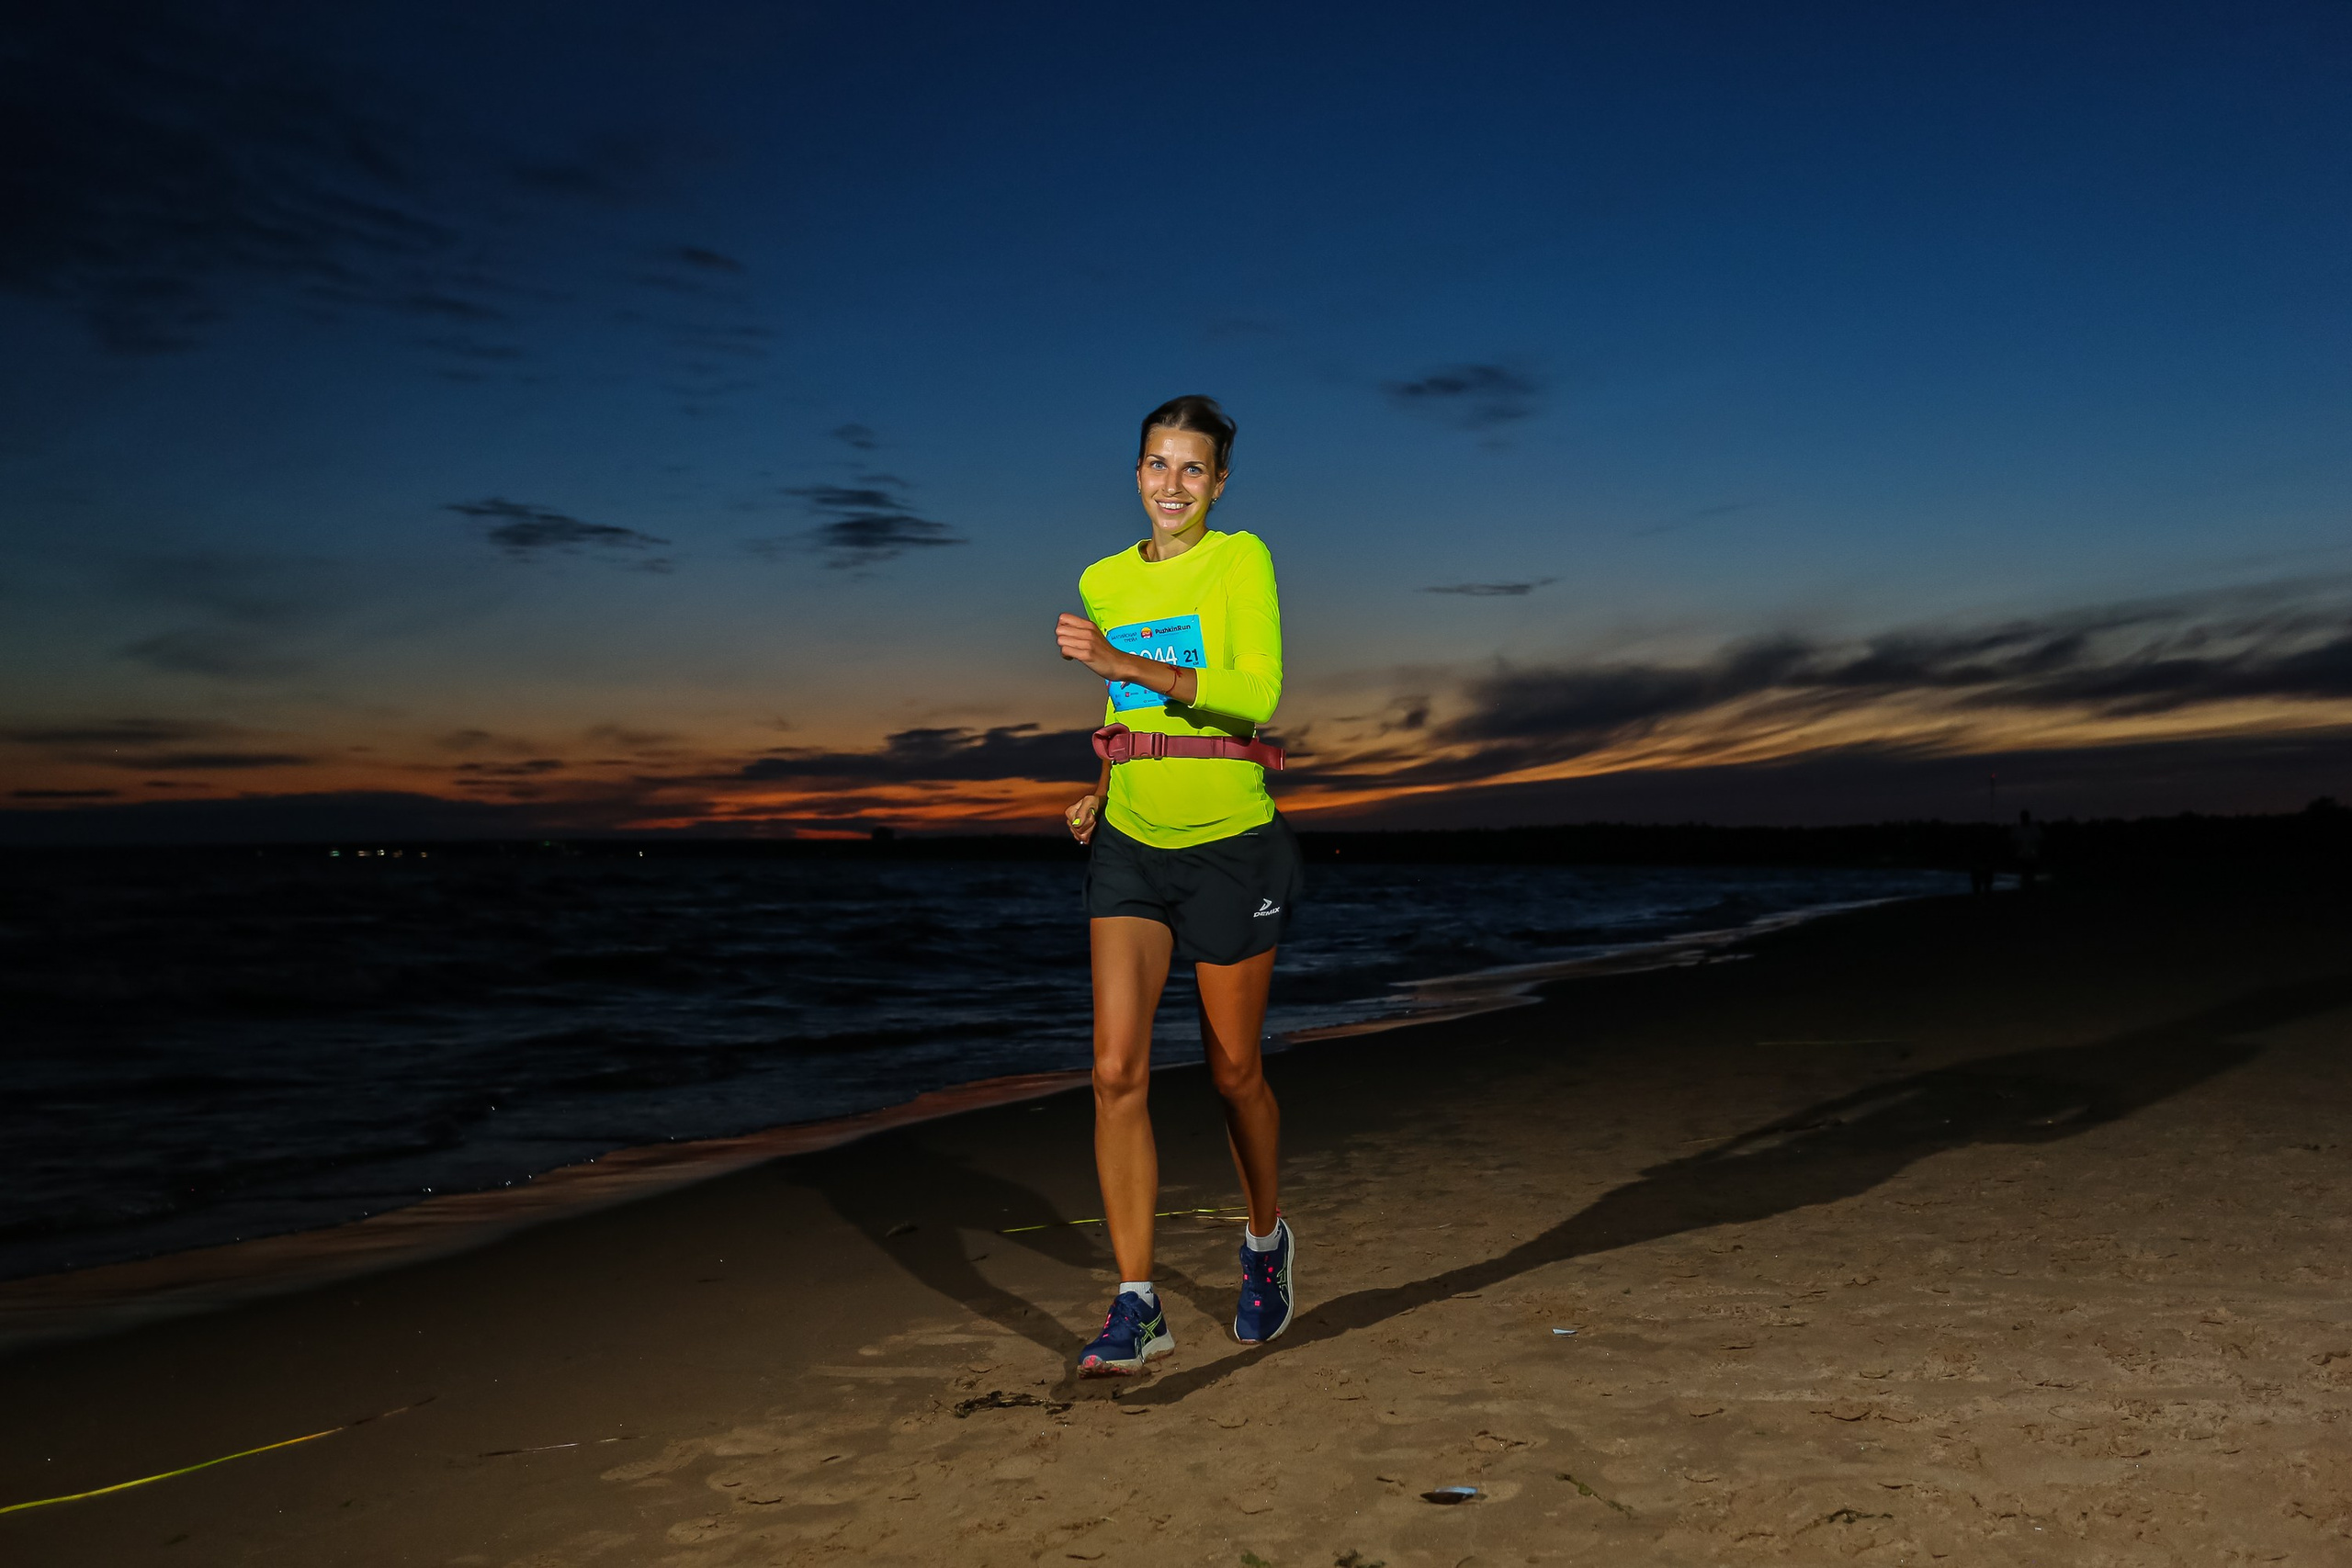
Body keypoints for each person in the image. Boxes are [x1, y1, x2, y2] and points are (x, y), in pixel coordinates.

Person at [1053, 394, 1301, 1376]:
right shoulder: (1103, 578)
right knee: (1116, 1070)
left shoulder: (1241, 559)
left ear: (1220, 483)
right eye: (1157, 464)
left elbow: (1256, 693)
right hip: (1132, 839)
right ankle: (1136, 1302)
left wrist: (1119, 658)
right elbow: (1121, 706)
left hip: (1231, 840)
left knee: (1233, 1071)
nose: (1171, 485)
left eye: (1192, 469)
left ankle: (1263, 1242)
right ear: (1138, 471)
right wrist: (1099, 787)